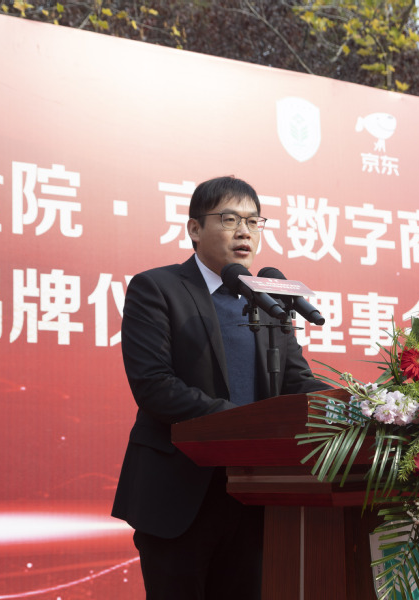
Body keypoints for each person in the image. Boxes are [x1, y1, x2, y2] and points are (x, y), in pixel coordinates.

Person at [112, 176, 327, 600]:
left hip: (255, 493)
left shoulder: (267, 299)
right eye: (229, 219)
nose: (244, 231)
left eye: (253, 221)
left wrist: (361, 405)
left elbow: (296, 382)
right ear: (195, 229)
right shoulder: (157, 288)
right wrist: (242, 426)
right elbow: (154, 386)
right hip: (179, 493)